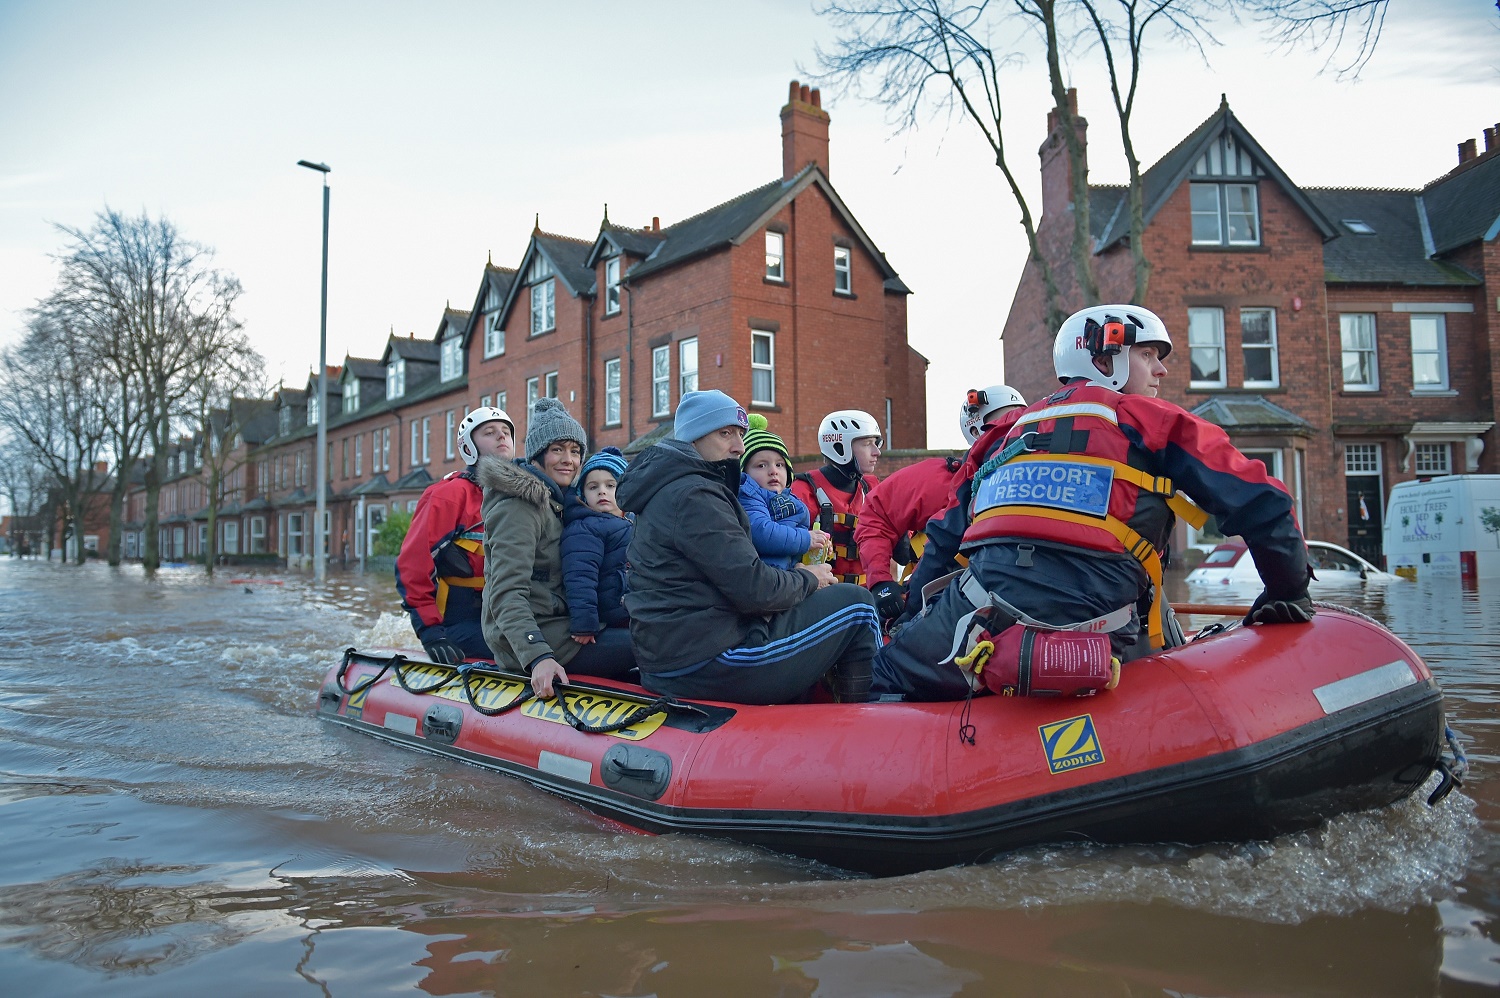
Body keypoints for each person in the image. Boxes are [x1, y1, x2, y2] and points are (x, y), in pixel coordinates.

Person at [874, 305, 1312, 702]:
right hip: (1098, 624)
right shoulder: (1153, 422)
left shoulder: (1002, 435)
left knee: (884, 673)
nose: (1160, 370)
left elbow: (943, 539)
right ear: (1105, 361)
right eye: (1147, 355)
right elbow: (1263, 500)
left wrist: (909, 620)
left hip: (977, 613)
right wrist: (1287, 591)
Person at [618, 389, 881, 705]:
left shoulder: (676, 487)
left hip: (676, 653)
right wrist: (809, 578)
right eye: (725, 433)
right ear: (693, 437)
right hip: (708, 660)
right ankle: (874, 714)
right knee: (858, 603)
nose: (739, 446)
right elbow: (756, 590)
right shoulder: (693, 497)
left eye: (740, 434)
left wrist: (796, 578)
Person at [479, 398, 635, 699]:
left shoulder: (559, 504)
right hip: (535, 638)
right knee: (651, 645)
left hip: (564, 626)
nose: (568, 460)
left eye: (575, 451)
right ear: (538, 454)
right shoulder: (518, 508)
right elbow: (505, 592)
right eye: (557, 450)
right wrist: (538, 656)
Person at [857, 386, 1027, 621]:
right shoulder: (939, 479)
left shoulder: (950, 479)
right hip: (941, 602)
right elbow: (878, 514)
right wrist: (881, 583)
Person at [396, 405, 515, 663]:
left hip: (509, 616)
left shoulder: (519, 497)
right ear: (468, 446)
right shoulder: (448, 495)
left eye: (506, 432)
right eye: (490, 432)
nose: (501, 436)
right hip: (461, 621)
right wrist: (430, 632)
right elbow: (413, 565)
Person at [789, 409, 881, 585]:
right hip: (824, 593)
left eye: (876, 443)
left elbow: (901, 552)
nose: (877, 451)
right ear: (840, 447)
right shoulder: (803, 491)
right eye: (867, 444)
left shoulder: (872, 488)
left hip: (870, 592)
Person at [737, 414, 832, 570]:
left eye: (779, 465)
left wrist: (817, 546)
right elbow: (761, 532)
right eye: (761, 465)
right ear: (744, 472)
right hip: (766, 574)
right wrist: (806, 540)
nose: (773, 471)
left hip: (788, 573)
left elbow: (794, 537)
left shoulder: (791, 499)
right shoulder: (749, 496)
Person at [561, 446, 633, 641]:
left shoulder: (635, 520)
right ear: (583, 494)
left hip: (639, 608)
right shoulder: (585, 527)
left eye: (610, 485)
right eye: (593, 487)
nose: (602, 492)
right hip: (614, 613)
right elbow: (580, 577)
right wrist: (585, 625)